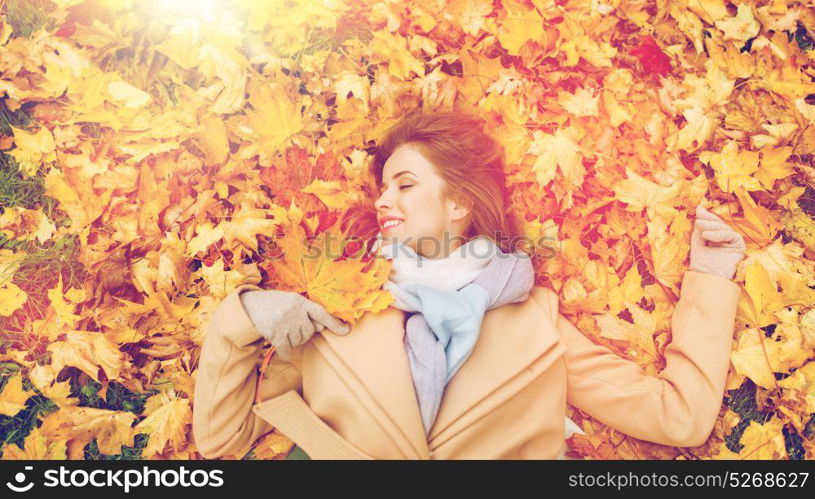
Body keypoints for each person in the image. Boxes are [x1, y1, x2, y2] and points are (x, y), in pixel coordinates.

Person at [192, 110, 746, 460]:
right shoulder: (338, 306)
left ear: (458, 203)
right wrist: (243, 320)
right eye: (383, 188)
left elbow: (680, 418)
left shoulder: (536, 320)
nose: (383, 200)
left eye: (405, 184)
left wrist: (712, 276)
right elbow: (222, 441)